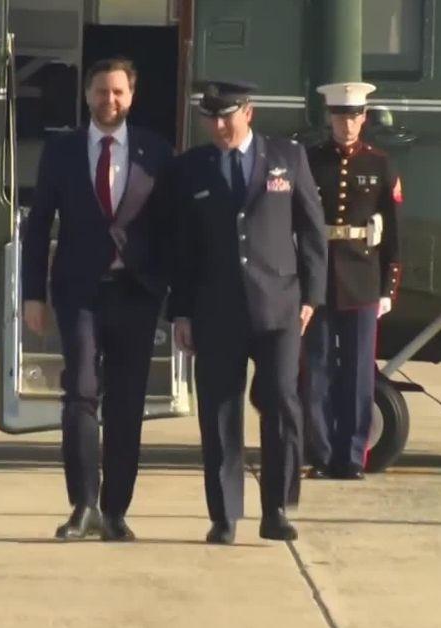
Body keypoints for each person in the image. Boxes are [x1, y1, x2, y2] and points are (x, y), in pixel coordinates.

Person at [20, 58, 174, 542]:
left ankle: (116, 511)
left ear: (132, 96)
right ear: (87, 95)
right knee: (81, 392)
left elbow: (172, 226)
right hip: (79, 291)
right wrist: (32, 295)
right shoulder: (62, 150)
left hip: (135, 292)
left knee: (127, 403)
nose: (110, 100)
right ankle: (83, 504)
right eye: (102, 91)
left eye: (118, 92)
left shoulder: (155, 151)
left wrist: (171, 289)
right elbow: (39, 224)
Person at [168, 80, 327, 544]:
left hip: (279, 307)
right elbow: (182, 246)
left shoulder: (287, 158)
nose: (219, 127)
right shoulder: (192, 168)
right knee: (220, 412)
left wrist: (312, 297)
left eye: (227, 117)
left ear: (248, 113)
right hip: (216, 309)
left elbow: (312, 230)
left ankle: (276, 508)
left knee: (281, 403)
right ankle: (224, 514)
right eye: (211, 119)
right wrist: (181, 312)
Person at [301, 82, 402, 481]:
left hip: (362, 279)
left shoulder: (379, 164)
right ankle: (322, 454)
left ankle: (353, 456)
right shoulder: (310, 161)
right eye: (340, 116)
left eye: (354, 116)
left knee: (359, 374)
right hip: (318, 278)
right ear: (330, 118)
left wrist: (388, 288)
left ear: (364, 118)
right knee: (317, 370)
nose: (347, 124)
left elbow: (393, 233)